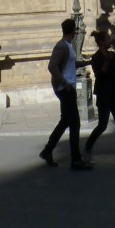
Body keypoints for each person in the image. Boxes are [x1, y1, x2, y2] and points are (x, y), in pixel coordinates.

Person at [39, 18, 92, 170]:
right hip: (65, 89)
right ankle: (75, 159)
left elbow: (71, 64)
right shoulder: (61, 46)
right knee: (75, 123)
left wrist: (87, 62)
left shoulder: (68, 46)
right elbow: (52, 67)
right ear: (74, 31)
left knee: (66, 121)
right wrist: (64, 83)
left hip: (68, 88)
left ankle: (47, 151)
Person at [83, 28, 115, 166]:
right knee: (102, 125)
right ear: (101, 42)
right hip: (104, 96)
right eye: (107, 39)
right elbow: (100, 75)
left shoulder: (112, 55)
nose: (109, 41)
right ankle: (88, 147)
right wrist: (106, 61)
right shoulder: (97, 58)